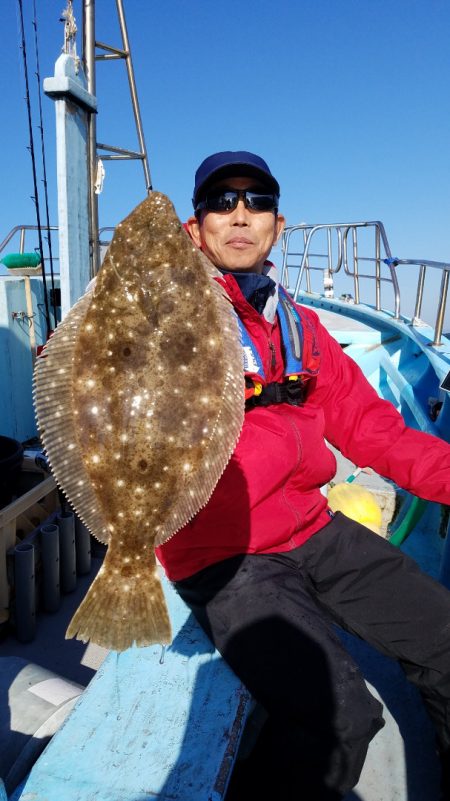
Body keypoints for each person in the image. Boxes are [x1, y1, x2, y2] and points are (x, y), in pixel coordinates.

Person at [155, 151, 450, 800]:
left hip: (312, 529)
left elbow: (378, 433)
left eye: (257, 200)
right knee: (340, 715)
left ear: (278, 225)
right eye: (221, 201)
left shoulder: (301, 327)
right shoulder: (168, 320)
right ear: (193, 226)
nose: (240, 213)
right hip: (226, 553)